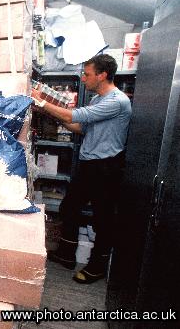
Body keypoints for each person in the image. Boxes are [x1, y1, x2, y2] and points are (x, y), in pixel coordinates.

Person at [31, 54, 132, 284]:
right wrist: (47, 112)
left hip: (106, 167)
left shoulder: (117, 101)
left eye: (87, 74)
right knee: (70, 207)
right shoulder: (98, 100)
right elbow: (79, 127)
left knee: (103, 219)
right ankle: (67, 255)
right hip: (89, 165)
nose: (83, 79)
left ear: (102, 75)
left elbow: (76, 115)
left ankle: (96, 267)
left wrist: (41, 101)